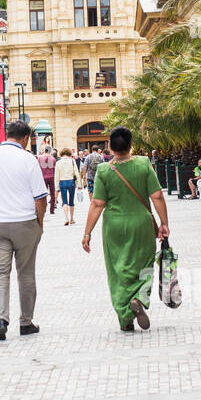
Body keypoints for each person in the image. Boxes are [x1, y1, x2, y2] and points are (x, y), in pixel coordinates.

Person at [81, 127, 169, 332]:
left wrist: (87, 233)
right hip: (142, 224)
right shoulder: (143, 164)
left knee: (118, 270)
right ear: (131, 145)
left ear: (110, 147)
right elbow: (157, 196)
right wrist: (164, 223)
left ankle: (125, 317)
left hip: (114, 226)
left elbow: (97, 204)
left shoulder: (104, 170)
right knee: (145, 265)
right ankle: (139, 297)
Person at [0, 120, 47, 341]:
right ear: (25, 138)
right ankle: (25, 322)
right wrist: (39, 223)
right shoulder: (27, 158)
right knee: (25, 273)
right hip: (24, 222)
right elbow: (40, 197)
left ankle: (0, 320)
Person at [54, 148, 78, 226]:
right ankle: (71, 218)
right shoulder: (72, 161)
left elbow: (56, 175)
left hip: (62, 182)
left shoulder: (58, 162)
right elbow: (76, 172)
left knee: (64, 201)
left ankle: (66, 218)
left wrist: (57, 187)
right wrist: (79, 184)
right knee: (71, 201)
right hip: (71, 181)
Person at [36, 146, 57, 215]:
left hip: (43, 177)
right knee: (52, 194)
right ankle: (52, 209)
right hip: (51, 176)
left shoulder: (40, 158)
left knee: (43, 194)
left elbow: (38, 168)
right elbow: (54, 169)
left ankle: (43, 209)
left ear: (44, 150)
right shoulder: (53, 158)